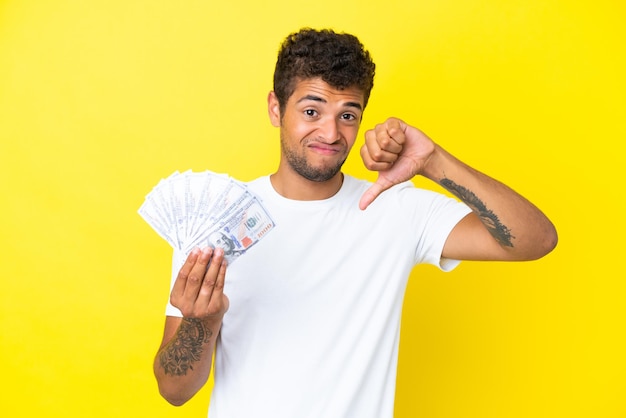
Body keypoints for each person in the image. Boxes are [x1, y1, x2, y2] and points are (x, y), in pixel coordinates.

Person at [152, 28, 557, 417]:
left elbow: (536, 240)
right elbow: (174, 391)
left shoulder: (394, 209)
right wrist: (200, 323)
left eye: (348, 115)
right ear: (276, 108)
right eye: (311, 111)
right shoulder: (215, 220)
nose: (330, 132)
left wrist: (434, 162)